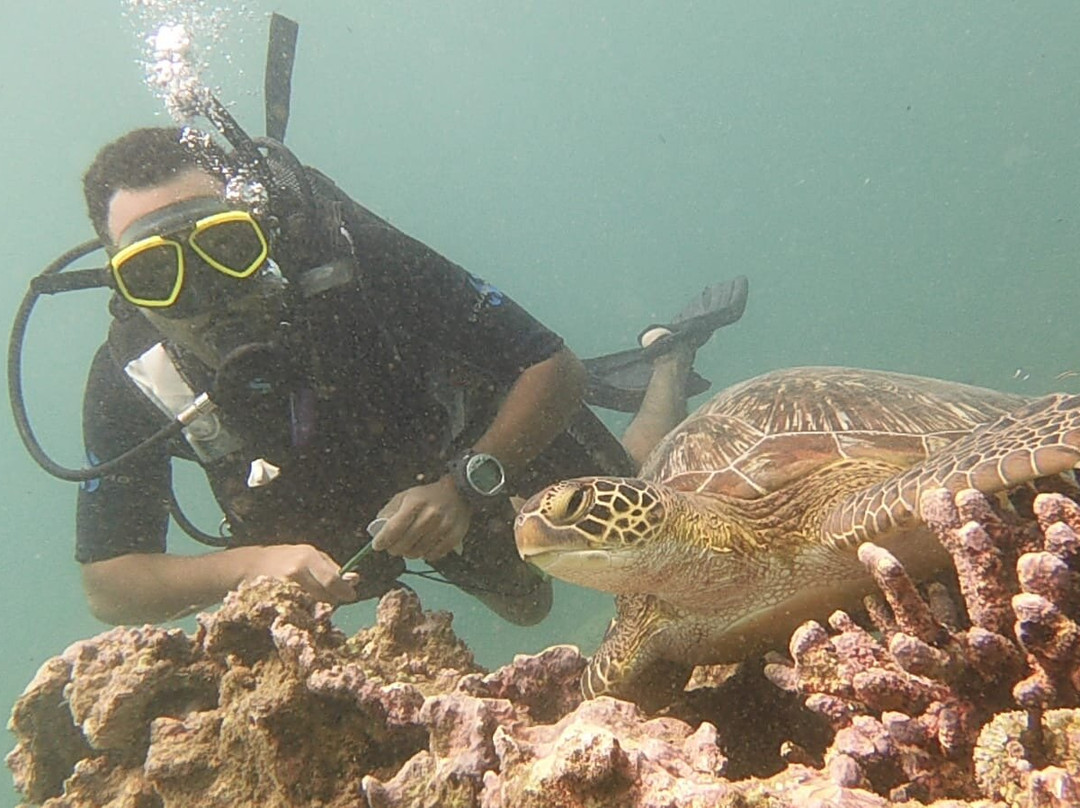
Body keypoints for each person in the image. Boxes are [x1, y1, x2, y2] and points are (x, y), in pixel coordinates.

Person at [73, 126, 739, 627]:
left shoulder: (352, 259)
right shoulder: (129, 375)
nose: (209, 290)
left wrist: (472, 482)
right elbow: (109, 584)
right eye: (157, 274)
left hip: (456, 449)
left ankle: (668, 360)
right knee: (527, 605)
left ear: (261, 228)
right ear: (122, 286)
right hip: (318, 523)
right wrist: (253, 566)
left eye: (225, 246)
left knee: (618, 525)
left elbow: (550, 364)